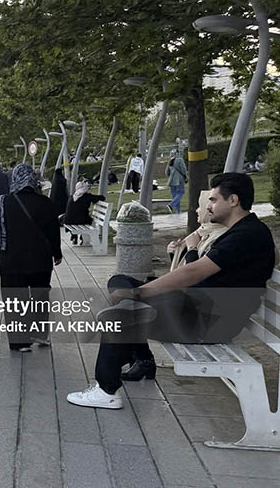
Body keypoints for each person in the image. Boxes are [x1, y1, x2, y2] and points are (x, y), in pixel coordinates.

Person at [67, 173, 275, 409]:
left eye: (214, 200)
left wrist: (139, 293)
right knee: (120, 281)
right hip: (197, 307)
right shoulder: (243, 231)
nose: (208, 206)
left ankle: (106, 390)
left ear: (233, 200)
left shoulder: (246, 235)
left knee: (121, 315)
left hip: (207, 321)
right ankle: (140, 352)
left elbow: (194, 272)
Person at [0, 164, 62, 350]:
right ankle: (40, 335)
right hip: (40, 259)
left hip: (11, 260)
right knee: (40, 296)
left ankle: (19, 342)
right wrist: (57, 253)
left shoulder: (4, 202)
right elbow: (54, 231)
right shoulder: (45, 203)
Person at [167, 189, 227, 272]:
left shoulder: (221, 236)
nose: (197, 210)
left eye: (200, 206)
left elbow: (195, 272)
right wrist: (175, 251)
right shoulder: (201, 231)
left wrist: (192, 248)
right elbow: (182, 265)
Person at [166, 149, 187, 214]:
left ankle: (178, 210)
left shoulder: (170, 161)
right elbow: (183, 169)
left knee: (175, 196)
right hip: (179, 180)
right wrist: (185, 176)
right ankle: (171, 205)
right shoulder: (180, 160)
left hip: (171, 181)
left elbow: (167, 172)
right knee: (180, 193)